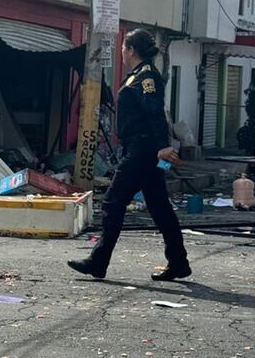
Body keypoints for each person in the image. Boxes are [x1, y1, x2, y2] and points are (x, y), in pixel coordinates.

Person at [68, 29, 190, 281]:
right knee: (160, 208)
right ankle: (178, 262)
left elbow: (154, 113)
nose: (122, 52)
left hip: (142, 151)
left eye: (124, 47)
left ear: (131, 50)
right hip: (144, 150)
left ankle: (98, 261)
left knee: (113, 203)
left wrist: (162, 147)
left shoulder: (146, 77)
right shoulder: (137, 76)